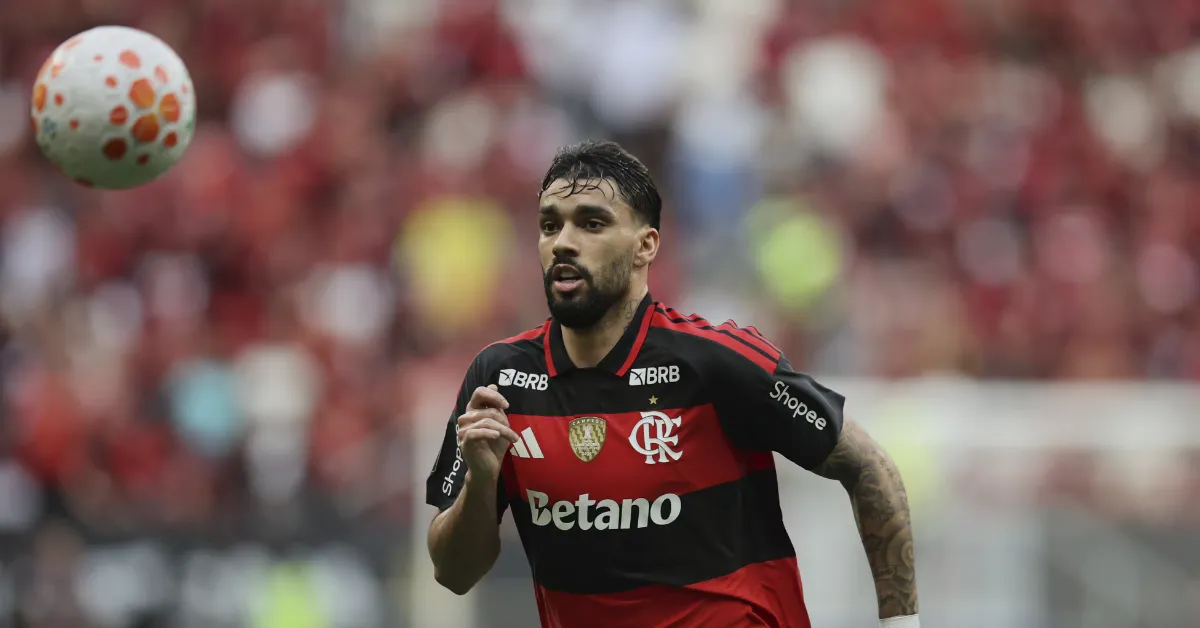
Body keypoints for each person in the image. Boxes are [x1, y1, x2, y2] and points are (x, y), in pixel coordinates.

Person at [425, 140, 920, 628]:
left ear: (646, 246)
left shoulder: (717, 363)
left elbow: (868, 467)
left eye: (592, 223)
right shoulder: (498, 381)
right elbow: (453, 573)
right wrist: (480, 482)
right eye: (550, 225)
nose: (563, 243)